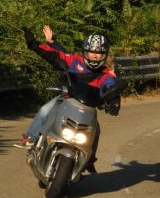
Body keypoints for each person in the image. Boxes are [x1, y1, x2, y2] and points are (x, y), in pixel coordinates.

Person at [14, 25, 121, 174]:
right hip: (66, 98)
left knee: (96, 130)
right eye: (91, 52)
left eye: (99, 54)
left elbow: (110, 88)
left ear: (105, 55)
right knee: (45, 109)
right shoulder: (75, 61)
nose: (95, 56)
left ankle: (89, 159)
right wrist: (34, 45)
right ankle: (31, 137)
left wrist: (114, 101)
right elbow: (55, 55)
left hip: (88, 108)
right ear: (85, 52)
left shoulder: (106, 74)